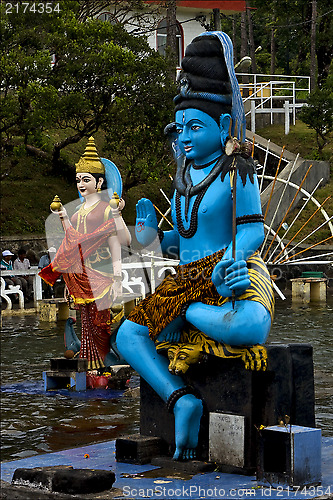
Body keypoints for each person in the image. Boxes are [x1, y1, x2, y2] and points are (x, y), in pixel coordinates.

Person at [116, 32, 274, 461]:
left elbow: (252, 230)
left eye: (196, 126)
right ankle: (180, 397)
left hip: (227, 270)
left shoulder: (237, 170)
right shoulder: (184, 181)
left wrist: (230, 262)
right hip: (185, 278)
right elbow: (178, 239)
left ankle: (186, 315)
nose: (185, 137)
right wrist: (150, 234)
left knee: (248, 328)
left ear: (224, 126)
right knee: (126, 333)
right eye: (180, 128)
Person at [39, 137, 131, 370]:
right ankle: (90, 365)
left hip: (103, 273)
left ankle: (103, 365)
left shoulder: (105, 208)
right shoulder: (78, 211)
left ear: (99, 182)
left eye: (86, 179)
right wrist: (62, 217)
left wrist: (119, 278)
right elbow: (73, 244)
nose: (81, 183)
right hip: (81, 275)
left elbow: (121, 241)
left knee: (102, 324)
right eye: (78, 179)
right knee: (86, 323)